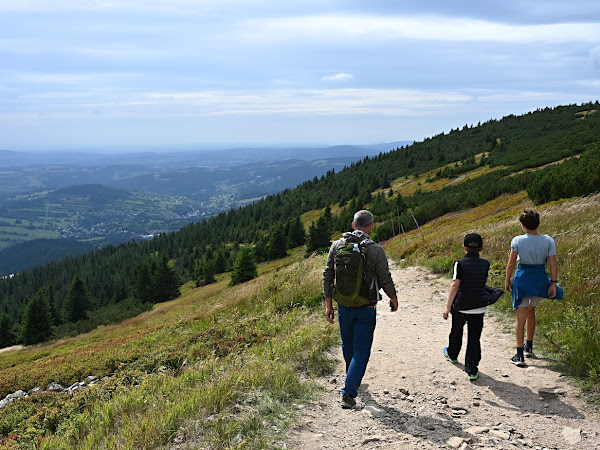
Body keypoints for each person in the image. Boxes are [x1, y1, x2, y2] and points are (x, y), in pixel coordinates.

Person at [323, 210, 398, 409]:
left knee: (348, 346)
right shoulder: (376, 250)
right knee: (362, 350)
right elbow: (385, 278)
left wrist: (329, 305)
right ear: (371, 226)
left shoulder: (337, 246)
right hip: (367, 306)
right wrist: (393, 297)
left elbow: (328, 276)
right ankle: (349, 391)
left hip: (343, 306)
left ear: (353, 224)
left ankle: (351, 379)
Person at [505, 209, 561, 367]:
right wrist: (553, 283)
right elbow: (553, 264)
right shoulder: (548, 240)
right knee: (531, 310)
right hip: (539, 279)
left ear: (522, 225)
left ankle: (519, 354)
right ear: (538, 223)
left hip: (522, 278)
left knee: (520, 316)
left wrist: (507, 280)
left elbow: (511, 263)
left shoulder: (517, 240)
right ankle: (529, 346)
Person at [442, 233, 491, 381]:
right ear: (481, 247)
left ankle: (452, 354)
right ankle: (472, 369)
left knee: (456, 331)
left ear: (464, 247)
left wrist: (447, 307)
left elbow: (455, 285)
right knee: (474, 338)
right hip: (479, 306)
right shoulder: (486, 264)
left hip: (461, 305)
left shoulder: (460, 264)